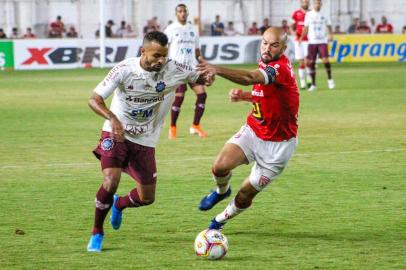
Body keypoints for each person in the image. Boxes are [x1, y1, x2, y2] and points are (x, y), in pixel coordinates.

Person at [86, 31, 213, 252]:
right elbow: (94, 99)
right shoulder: (124, 69)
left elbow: (199, 78)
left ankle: (119, 204)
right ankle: (97, 231)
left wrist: (208, 77)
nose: (161, 60)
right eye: (156, 56)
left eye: (164, 55)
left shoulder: (174, 68)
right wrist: (112, 118)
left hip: (146, 139)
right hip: (116, 133)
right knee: (110, 180)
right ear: (143, 51)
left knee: (147, 198)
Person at [197, 27, 299, 231]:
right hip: (254, 131)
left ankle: (218, 221)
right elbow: (272, 97)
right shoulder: (266, 61)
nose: (267, 48)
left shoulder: (280, 68)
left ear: (284, 48)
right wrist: (244, 96)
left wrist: (216, 69)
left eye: (274, 45)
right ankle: (221, 191)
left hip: (277, 148)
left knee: (245, 194)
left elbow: (252, 77)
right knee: (219, 167)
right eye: (265, 42)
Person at [165, 4, 209, 139]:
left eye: (184, 11)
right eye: (180, 11)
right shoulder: (170, 29)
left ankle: (195, 126)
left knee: (202, 95)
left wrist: (203, 63)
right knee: (179, 98)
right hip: (178, 69)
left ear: (187, 13)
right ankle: (172, 127)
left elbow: (197, 51)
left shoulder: (193, 29)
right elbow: (164, 49)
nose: (183, 13)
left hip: (193, 68)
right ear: (176, 13)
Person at [300, 0, 335, 91]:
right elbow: (306, 28)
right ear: (313, 4)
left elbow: (329, 26)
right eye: (315, 3)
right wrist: (301, 38)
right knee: (311, 62)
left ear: (321, 4)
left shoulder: (325, 14)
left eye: (318, 3)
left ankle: (330, 80)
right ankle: (313, 84)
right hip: (312, 41)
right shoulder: (309, 14)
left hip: (322, 41)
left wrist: (331, 34)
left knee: (325, 61)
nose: (317, 5)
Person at [291, 0, 312, 89]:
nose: (305, 4)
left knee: (308, 61)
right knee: (301, 62)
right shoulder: (296, 13)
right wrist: (294, 34)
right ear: (301, 3)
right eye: (303, 2)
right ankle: (302, 83)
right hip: (298, 41)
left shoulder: (311, 13)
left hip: (309, 40)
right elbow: (291, 26)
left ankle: (309, 80)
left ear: (308, 3)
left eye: (306, 2)